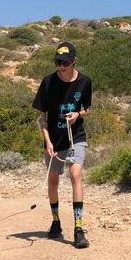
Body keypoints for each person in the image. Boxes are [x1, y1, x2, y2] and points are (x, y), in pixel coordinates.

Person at [32, 41, 92, 248]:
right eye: (58, 62)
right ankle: (56, 221)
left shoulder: (85, 82)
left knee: (76, 174)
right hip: (54, 141)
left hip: (76, 136)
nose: (62, 66)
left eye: (65, 62)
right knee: (53, 179)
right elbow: (42, 117)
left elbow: (87, 109)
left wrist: (78, 114)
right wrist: (47, 141)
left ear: (74, 61)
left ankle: (78, 229)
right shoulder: (48, 82)